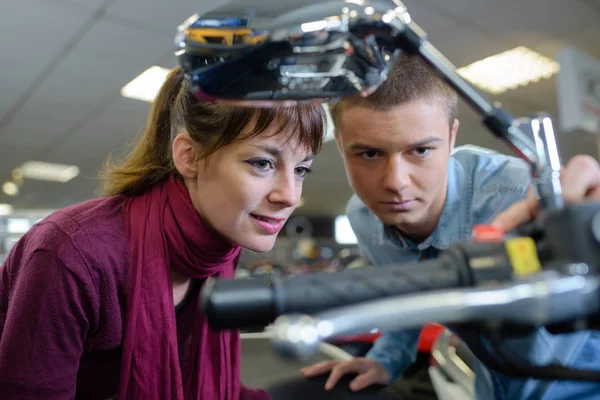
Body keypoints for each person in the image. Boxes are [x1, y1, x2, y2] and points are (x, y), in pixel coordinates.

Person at [0, 66, 326, 400]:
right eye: (262, 163)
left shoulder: (216, 250)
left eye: (301, 169)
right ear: (190, 156)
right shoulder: (72, 254)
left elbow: (194, 380)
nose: (290, 196)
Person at [301, 54, 600, 400]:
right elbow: (410, 296)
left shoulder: (523, 196)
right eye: (369, 154)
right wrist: (386, 360)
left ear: (452, 136)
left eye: (421, 150)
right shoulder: (364, 218)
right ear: (339, 145)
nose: (396, 182)